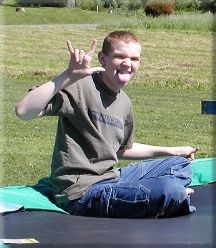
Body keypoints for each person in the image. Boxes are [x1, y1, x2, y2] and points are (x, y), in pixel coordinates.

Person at [15, 31, 198, 218]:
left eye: (134, 59)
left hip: (111, 177)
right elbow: (23, 111)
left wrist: (172, 151)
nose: (127, 63)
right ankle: (168, 195)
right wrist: (68, 75)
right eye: (119, 56)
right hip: (81, 193)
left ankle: (160, 194)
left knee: (180, 165)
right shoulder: (80, 86)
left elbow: (121, 149)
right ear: (102, 59)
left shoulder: (124, 102)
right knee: (170, 190)